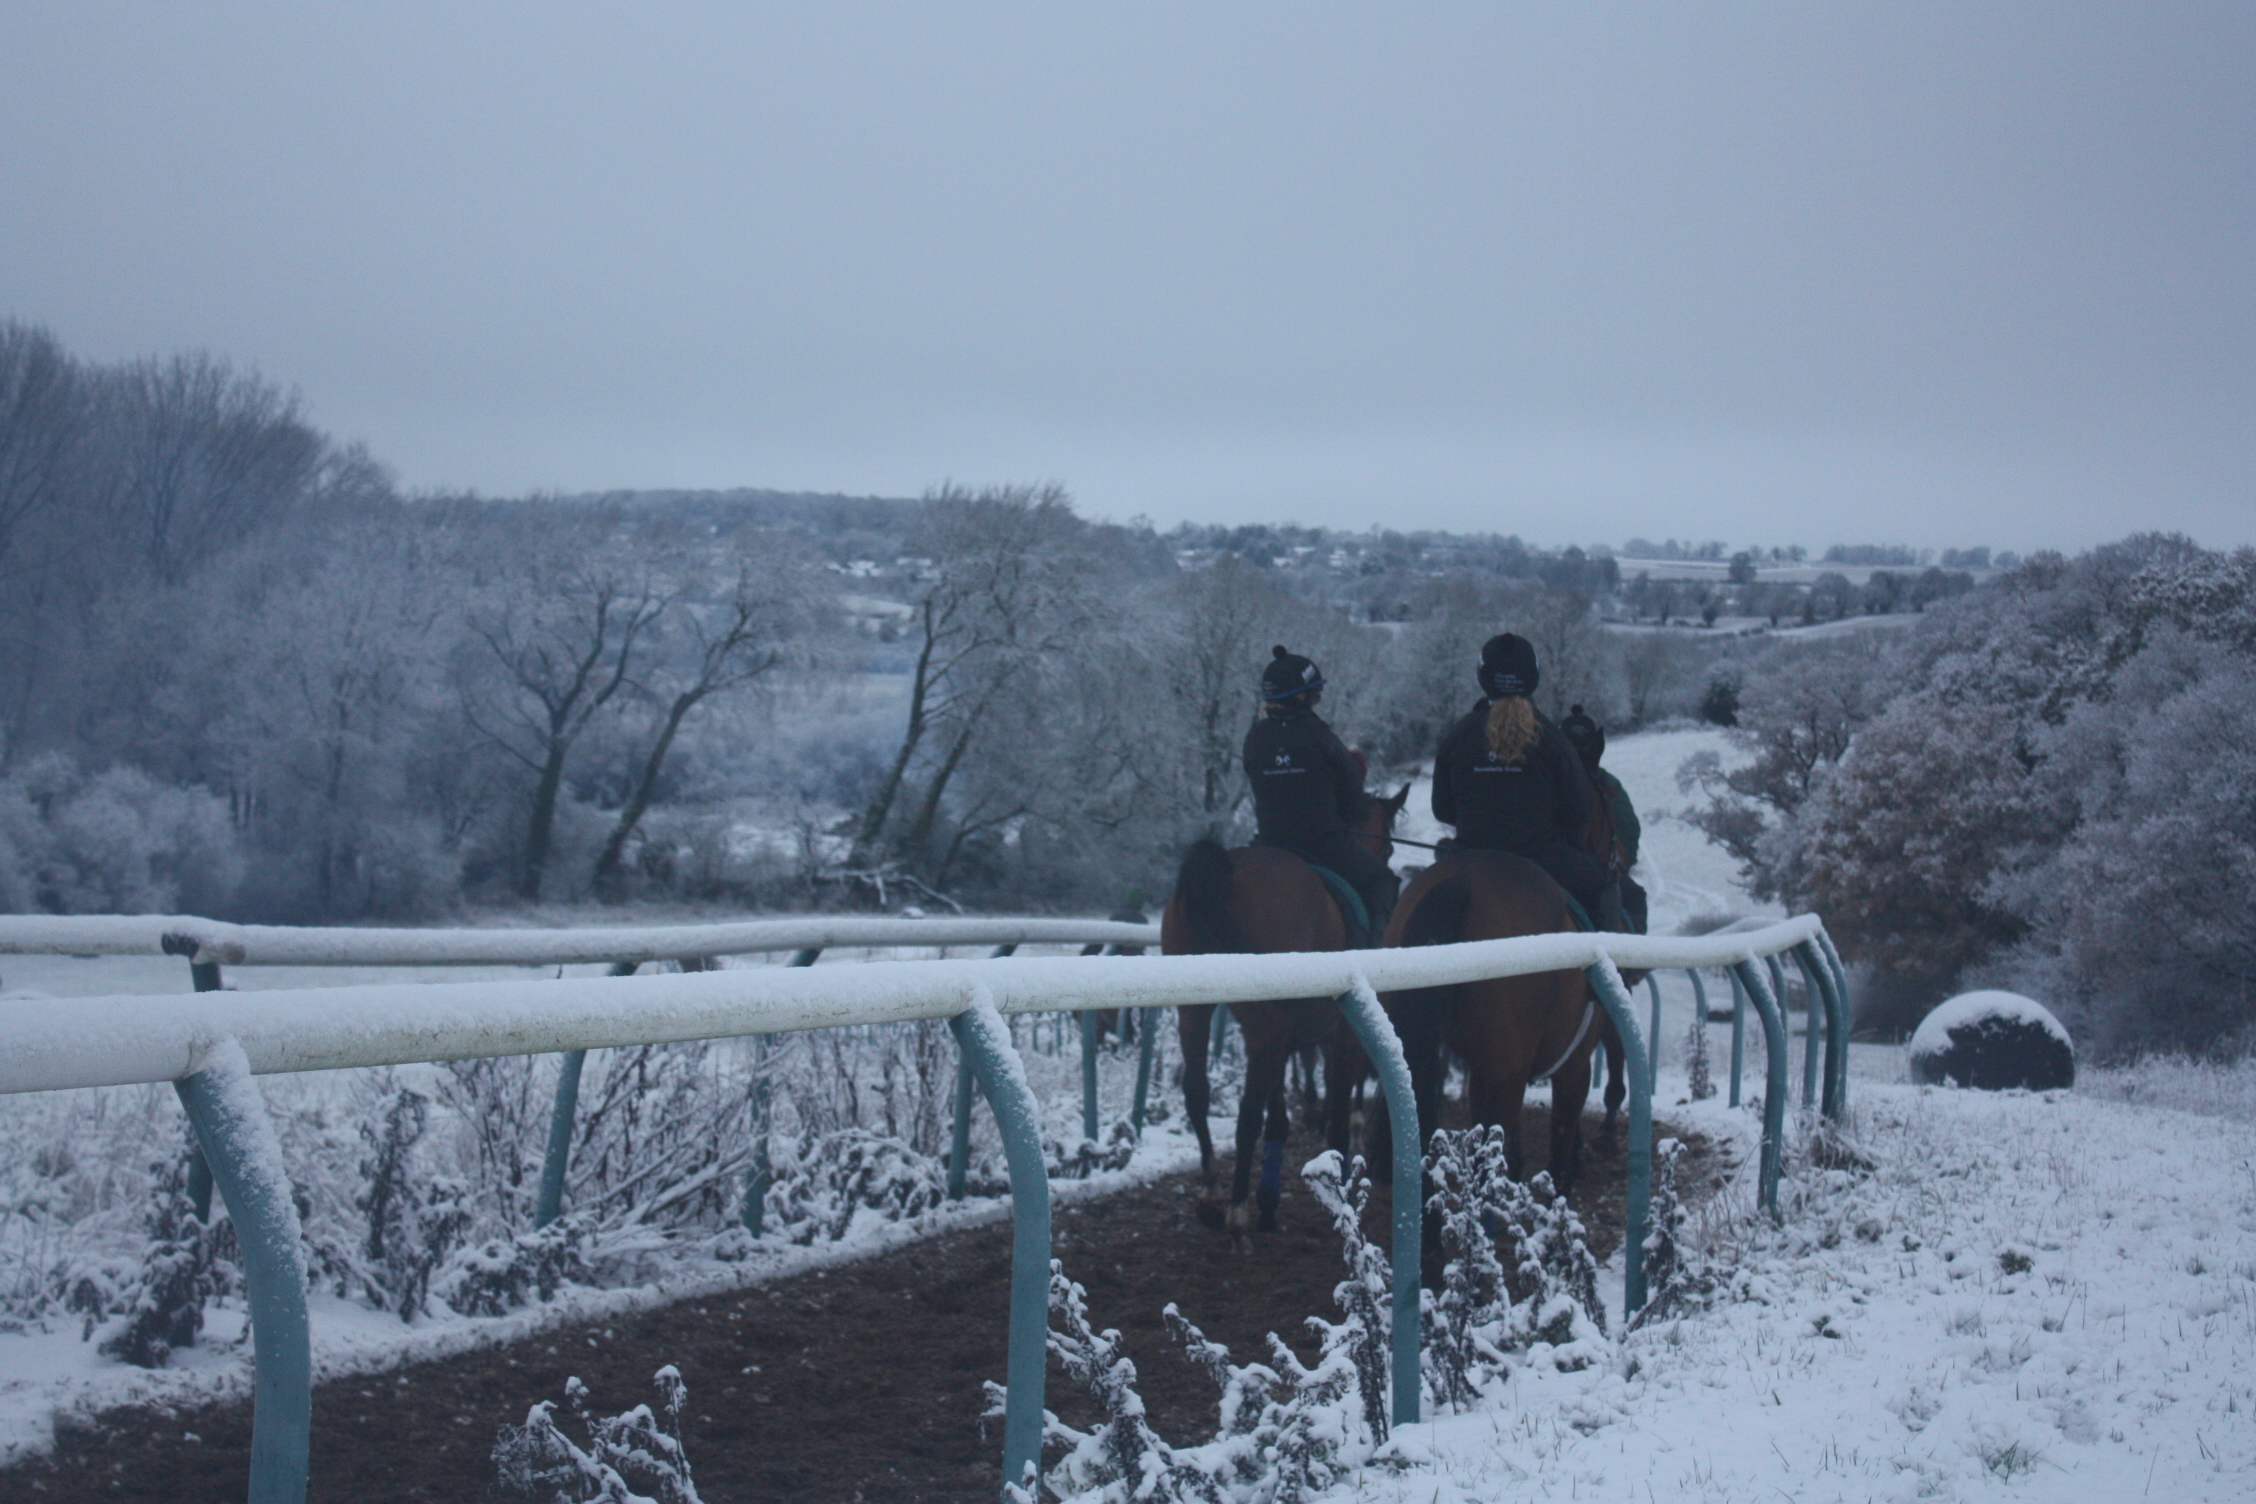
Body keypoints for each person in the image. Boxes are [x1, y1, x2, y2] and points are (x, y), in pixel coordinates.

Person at [1431, 634, 1623, 929]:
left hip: (1471, 854)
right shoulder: (1553, 739)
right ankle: (1607, 970)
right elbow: (1580, 810)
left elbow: (1442, 808)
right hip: (1546, 858)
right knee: (1606, 886)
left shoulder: (1458, 736)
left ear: (1482, 677)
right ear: (1534, 677)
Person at [1243, 645, 1398, 942]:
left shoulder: (1255, 737)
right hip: (1323, 843)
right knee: (1382, 881)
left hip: (1269, 842)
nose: (1317, 699)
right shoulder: (1320, 735)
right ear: (1302, 696)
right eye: (1315, 694)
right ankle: (1378, 962)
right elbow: (1353, 800)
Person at [1558, 703, 1649, 934]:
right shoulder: (1608, 784)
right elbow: (1628, 828)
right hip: (1592, 869)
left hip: (1543, 861)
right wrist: (1622, 862)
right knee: (1635, 897)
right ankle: (1629, 964)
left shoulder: (1546, 778)